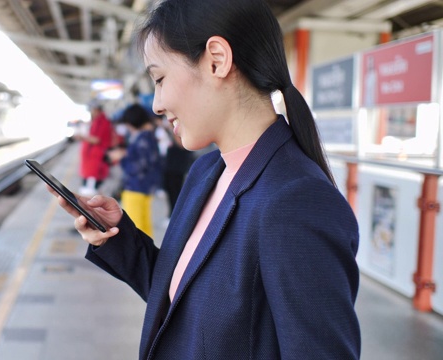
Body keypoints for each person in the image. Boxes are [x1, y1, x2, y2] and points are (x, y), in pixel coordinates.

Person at [47, 0, 361, 359]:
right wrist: (117, 238)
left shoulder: (296, 201)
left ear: (216, 59)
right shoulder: (206, 173)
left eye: (160, 78)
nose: (157, 105)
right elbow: (185, 303)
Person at [107, 103, 161, 237]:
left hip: (136, 189)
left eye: (127, 123)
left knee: (136, 230)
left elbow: (136, 168)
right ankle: (149, 256)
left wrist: (122, 157)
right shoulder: (149, 137)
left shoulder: (143, 139)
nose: (127, 127)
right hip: (145, 188)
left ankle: (143, 256)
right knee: (143, 227)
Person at [75, 102, 113, 196]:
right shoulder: (97, 121)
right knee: (88, 188)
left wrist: (82, 137)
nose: (91, 113)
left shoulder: (103, 122)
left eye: (92, 110)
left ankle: (87, 210)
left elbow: (97, 140)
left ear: (97, 110)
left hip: (95, 162)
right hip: (91, 161)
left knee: (90, 192)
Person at [161, 130, 194, 221]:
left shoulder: (181, 131)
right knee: (170, 192)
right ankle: (171, 215)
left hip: (177, 168)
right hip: (169, 167)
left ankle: (175, 216)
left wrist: (172, 132)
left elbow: (182, 145)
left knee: (176, 193)